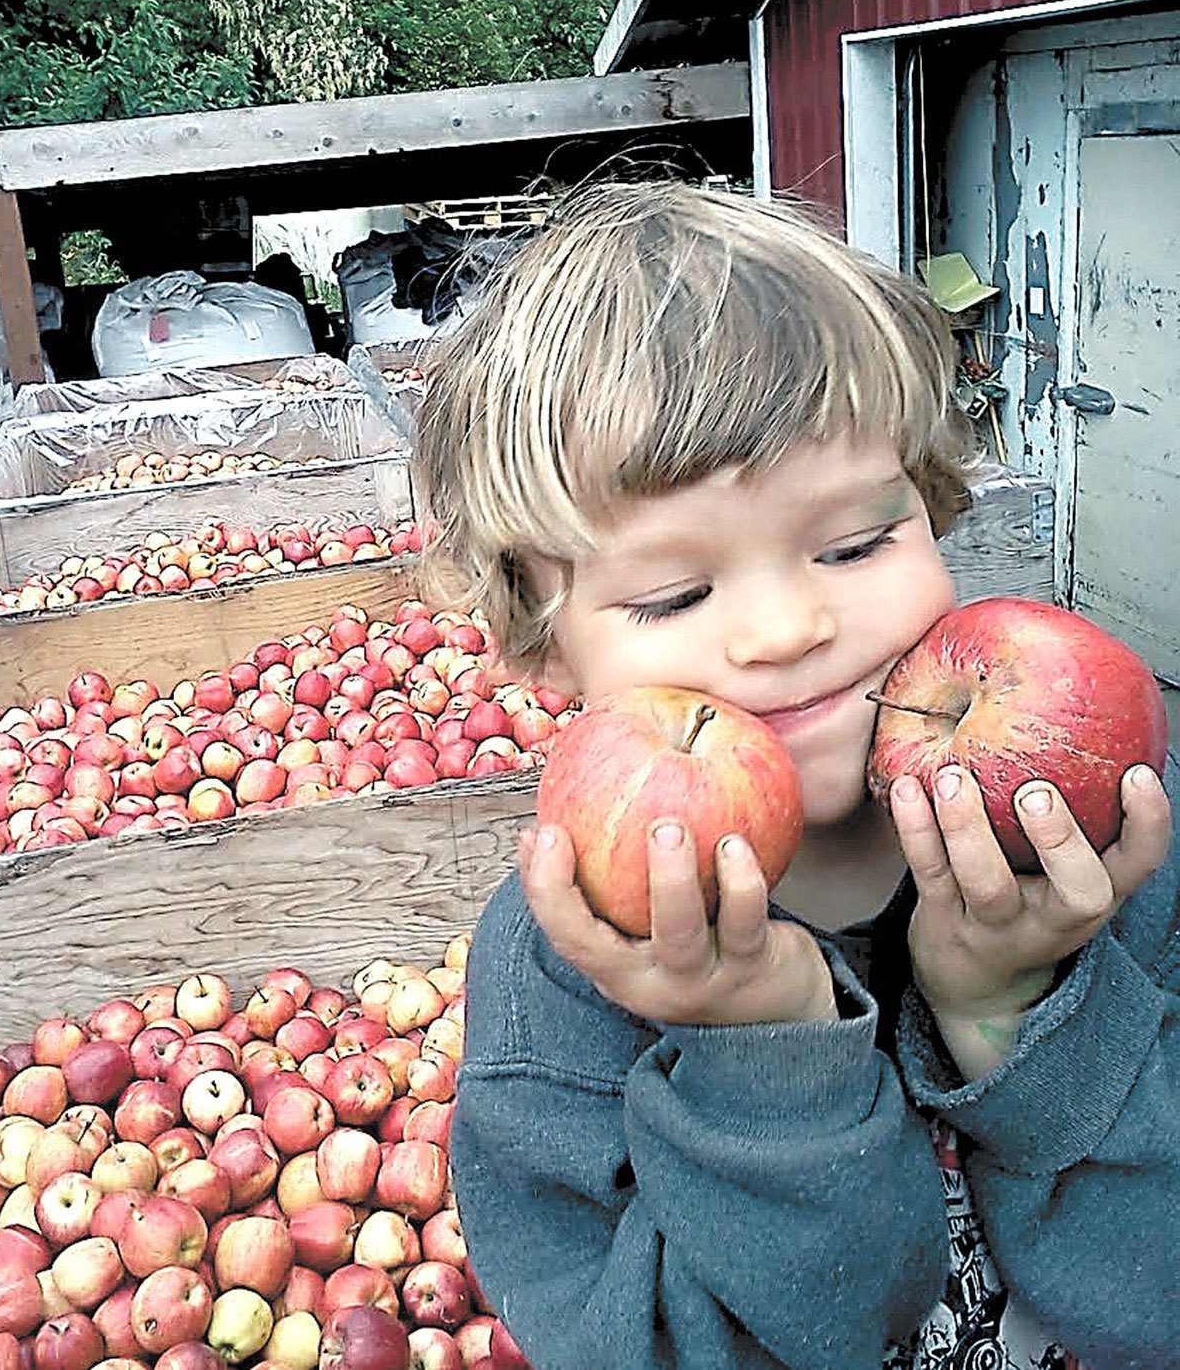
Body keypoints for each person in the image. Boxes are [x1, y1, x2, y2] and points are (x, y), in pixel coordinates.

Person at [411, 180, 1178, 1370]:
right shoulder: (562, 981)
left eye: (855, 541)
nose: (781, 628)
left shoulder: (1102, 846)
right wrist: (762, 1052)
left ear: (929, 510)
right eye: (672, 594)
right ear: (544, 648)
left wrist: (1006, 1011)